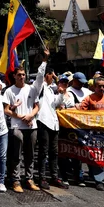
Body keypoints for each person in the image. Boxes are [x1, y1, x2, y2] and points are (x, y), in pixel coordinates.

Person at [32, 51, 67, 190]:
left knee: (54, 152)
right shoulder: (39, 86)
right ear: (48, 75)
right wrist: (45, 59)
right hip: (43, 122)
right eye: (52, 75)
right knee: (43, 151)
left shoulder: (51, 90)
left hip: (53, 123)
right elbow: (40, 74)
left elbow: (55, 104)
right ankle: (42, 177)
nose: (54, 78)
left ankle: (54, 176)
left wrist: (61, 93)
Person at [80, 77, 104, 191]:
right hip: (94, 133)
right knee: (97, 157)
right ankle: (99, 181)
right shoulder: (88, 99)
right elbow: (80, 113)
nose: (102, 88)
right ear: (94, 87)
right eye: (99, 86)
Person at [3, 67, 40, 193]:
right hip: (17, 126)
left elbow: (36, 106)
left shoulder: (31, 89)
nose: (22, 77)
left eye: (23, 75)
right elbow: (7, 110)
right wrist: (20, 117)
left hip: (31, 125)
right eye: (19, 75)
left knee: (30, 154)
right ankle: (16, 180)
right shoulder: (9, 91)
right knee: (16, 154)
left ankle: (29, 179)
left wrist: (30, 116)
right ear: (14, 76)